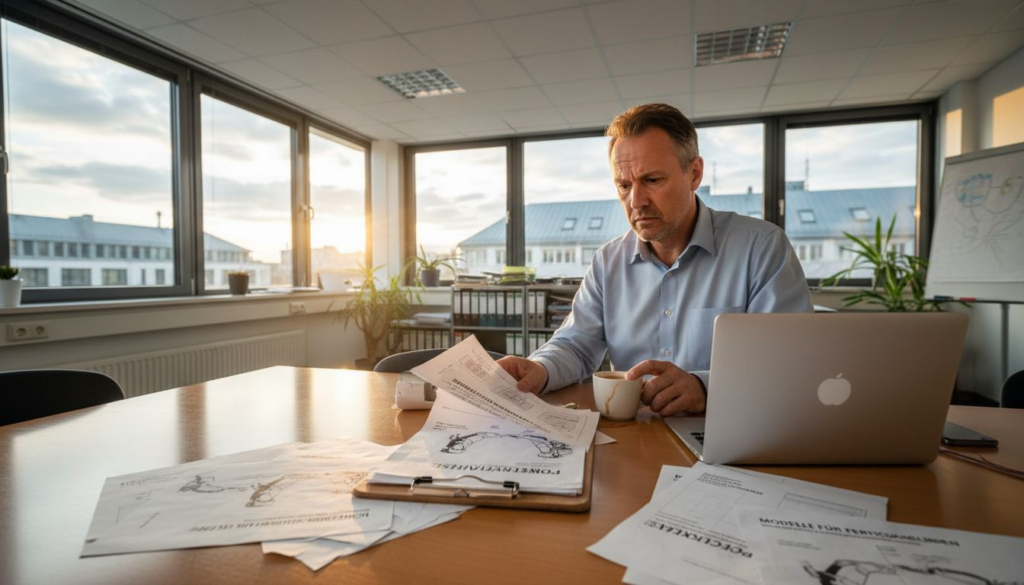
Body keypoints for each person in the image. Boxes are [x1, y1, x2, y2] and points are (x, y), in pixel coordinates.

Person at [497, 103, 812, 416]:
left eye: (652, 180)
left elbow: (787, 363)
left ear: (695, 173)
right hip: (634, 437)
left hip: (730, 429)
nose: (636, 201)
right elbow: (576, 346)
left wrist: (704, 387)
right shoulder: (608, 262)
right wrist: (540, 368)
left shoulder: (761, 248)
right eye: (624, 185)